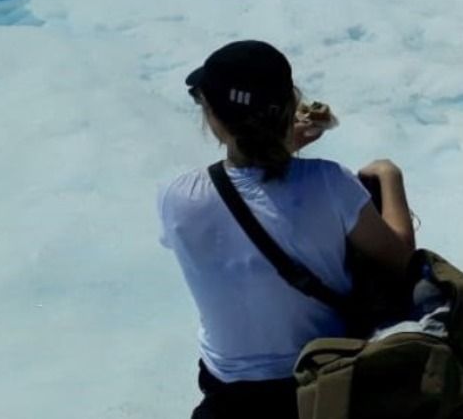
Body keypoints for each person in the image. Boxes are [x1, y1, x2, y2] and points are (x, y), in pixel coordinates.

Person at [159, 40, 417, 418]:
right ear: (289, 106)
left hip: (229, 392)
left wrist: (280, 146)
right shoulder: (330, 182)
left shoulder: (177, 197)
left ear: (213, 117)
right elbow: (402, 258)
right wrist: (390, 176)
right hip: (324, 380)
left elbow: (248, 204)